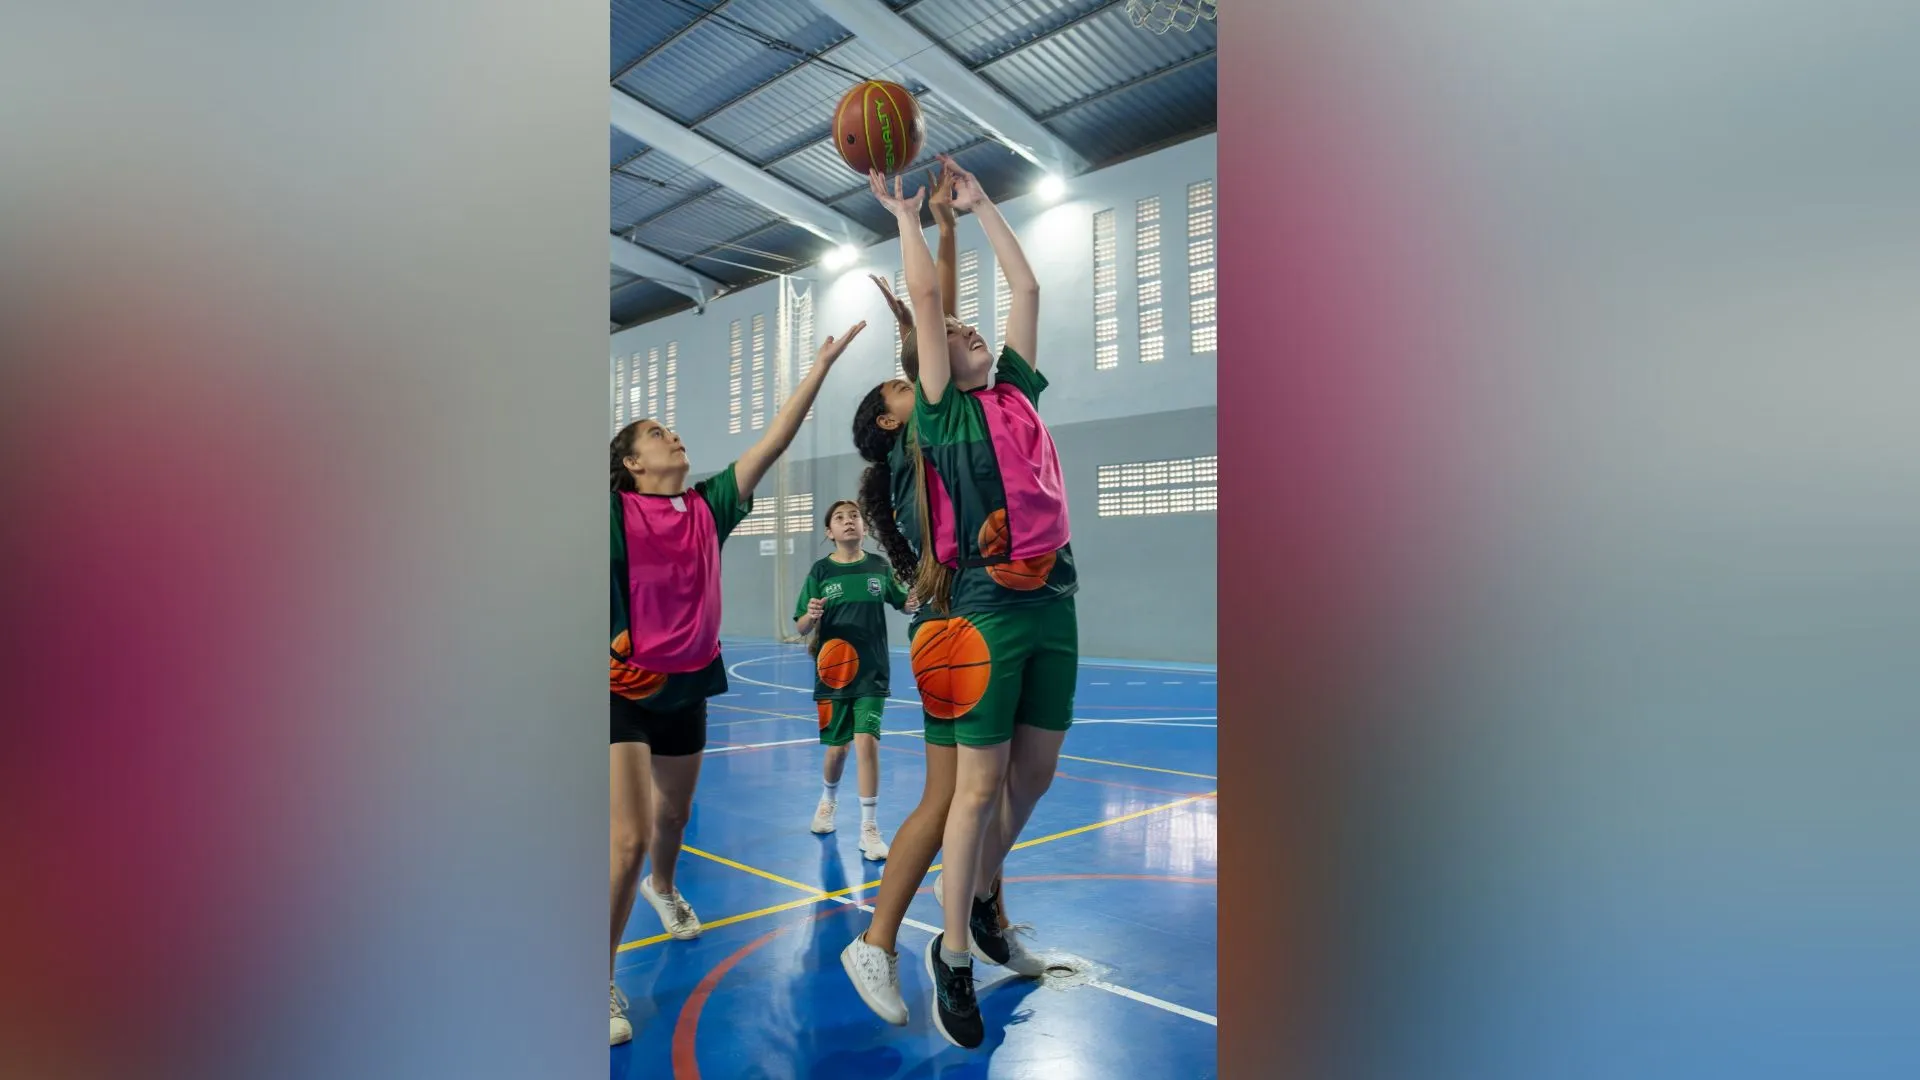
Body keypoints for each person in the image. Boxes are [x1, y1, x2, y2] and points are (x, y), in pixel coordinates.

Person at [839, 156, 1077, 1050]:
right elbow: (931, 308)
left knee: (1036, 775)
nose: (973, 330)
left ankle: (980, 897)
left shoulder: (1015, 390)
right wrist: (909, 218)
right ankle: (952, 955)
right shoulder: (938, 416)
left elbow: (1027, 283)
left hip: (1053, 595)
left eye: (980, 331)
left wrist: (980, 209)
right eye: (956, 333)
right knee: (969, 794)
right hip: (977, 610)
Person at [608, 321, 865, 1047]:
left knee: (672, 822)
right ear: (631, 463)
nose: (674, 437)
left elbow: (774, 441)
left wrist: (817, 367)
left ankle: (665, 887)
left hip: (688, 683)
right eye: (657, 433)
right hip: (619, 689)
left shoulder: (707, 507)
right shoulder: (609, 511)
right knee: (626, 837)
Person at [793, 500, 917, 860]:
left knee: (867, 742)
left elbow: (904, 603)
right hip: (834, 676)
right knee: (838, 749)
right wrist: (811, 616)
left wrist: (918, 595)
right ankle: (828, 800)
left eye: (855, 517)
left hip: (872, 671)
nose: (848, 522)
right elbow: (800, 624)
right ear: (830, 533)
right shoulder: (821, 572)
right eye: (839, 518)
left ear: (863, 528)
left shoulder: (878, 567)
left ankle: (869, 827)